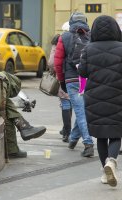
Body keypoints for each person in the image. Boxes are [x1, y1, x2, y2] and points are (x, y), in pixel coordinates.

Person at [78, 15, 122, 187]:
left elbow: (82, 72)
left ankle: (105, 169)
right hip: (118, 96)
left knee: (101, 135)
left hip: (95, 98)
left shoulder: (89, 49)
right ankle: (111, 161)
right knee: (116, 133)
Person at [54, 12, 94, 157]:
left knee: (80, 111)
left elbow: (58, 62)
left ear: (71, 22)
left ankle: (88, 143)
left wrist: (61, 80)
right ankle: (73, 138)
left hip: (71, 79)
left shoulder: (63, 37)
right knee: (81, 110)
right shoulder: (91, 36)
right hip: (86, 79)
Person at [49, 33, 72, 143]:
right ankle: (66, 129)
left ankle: (67, 132)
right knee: (72, 103)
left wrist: (53, 71)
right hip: (78, 77)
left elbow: (51, 62)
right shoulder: (81, 38)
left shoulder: (59, 41)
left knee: (65, 104)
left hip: (63, 76)